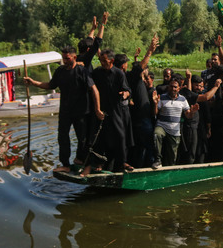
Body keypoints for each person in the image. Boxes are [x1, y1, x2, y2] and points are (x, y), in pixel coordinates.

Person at [24, 46, 104, 173]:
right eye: (63, 58)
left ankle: (84, 161)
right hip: (65, 111)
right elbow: (50, 85)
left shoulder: (82, 71)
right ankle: (65, 164)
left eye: (67, 59)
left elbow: (94, 90)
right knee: (62, 137)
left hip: (81, 111)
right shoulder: (60, 71)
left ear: (74, 57)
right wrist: (33, 82)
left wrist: (97, 109)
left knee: (82, 139)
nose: (65, 61)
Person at [83, 49, 132, 174]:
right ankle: (98, 162)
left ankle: (121, 163)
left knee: (120, 136)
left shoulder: (119, 74)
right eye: (101, 61)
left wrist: (125, 94)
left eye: (105, 61)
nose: (102, 63)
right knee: (99, 137)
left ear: (112, 61)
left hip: (115, 109)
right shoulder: (97, 72)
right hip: (100, 109)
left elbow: (127, 90)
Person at [152, 78, 199, 169]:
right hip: (162, 125)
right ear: (168, 87)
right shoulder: (162, 97)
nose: (173, 89)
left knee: (172, 154)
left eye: (175, 87)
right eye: (171, 86)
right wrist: (155, 104)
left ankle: (170, 169)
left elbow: (188, 115)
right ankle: (158, 160)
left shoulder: (182, 99)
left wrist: (192, 112)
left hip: (174, 129)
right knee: (157, 134)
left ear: (179, 88)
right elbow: (155, 113)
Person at [127, 36, 159, 168]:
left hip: (140, 118)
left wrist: (135, 59)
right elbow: (140, 68)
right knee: (147, 144)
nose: (145, 69)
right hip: (142, 119)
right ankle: (148, 165)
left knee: (141, 145)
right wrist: (150, 50)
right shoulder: (136, 79)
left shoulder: (136, 81)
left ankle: (141, 165)